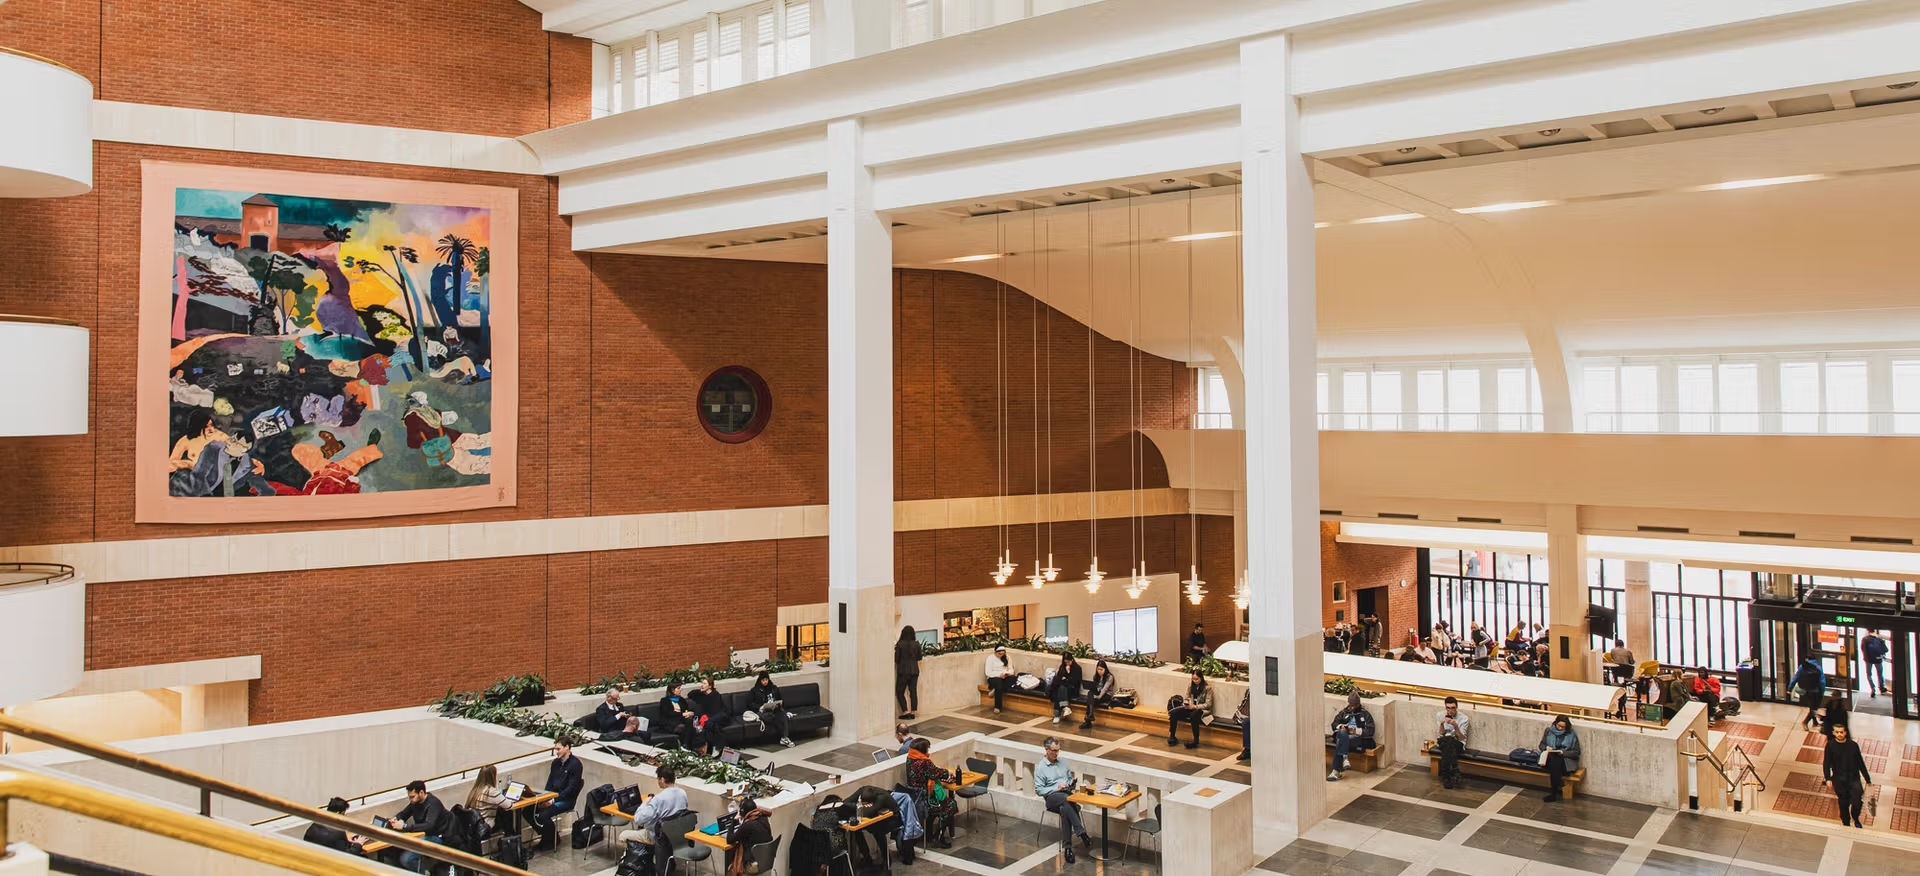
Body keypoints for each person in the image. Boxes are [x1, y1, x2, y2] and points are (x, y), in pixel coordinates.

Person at [1032, 737, 1093, 863]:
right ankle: (1081, 833)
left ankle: (1068, 849)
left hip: (1066, 796)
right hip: (1051, 798)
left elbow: (1069, 777)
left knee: (1065, 808)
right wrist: (1057, 787)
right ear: (1047, 750)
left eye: (1058, 751)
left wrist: (1070, 783)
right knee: (1067, 800)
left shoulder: (1063, 762)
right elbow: (1039, 790)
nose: (1056, 753)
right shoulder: (1041, 768)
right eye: (1054, 751)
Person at [529, 740, 584, 852]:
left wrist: (552, 801)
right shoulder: (555, 763)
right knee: (528, 809)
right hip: (552, 797)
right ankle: (551, 835)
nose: (556, 752)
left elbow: (571, 789)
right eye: (555, 749)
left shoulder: (576, 765)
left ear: (567, 747)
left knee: (543, 815)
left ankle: (549, 840)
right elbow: (550, 783)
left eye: (558, 749)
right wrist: (544, 798)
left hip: (566, 800)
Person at [904, 737, 957, 848]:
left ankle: (930, 834)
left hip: (914, 797)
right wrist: (948, 772)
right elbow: (936, 773)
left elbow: (929, 773)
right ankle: (939, 836)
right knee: (950, 805)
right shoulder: (924, 762)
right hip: (925, 799)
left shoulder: (910, 758)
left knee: (941, 808)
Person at [619, 764, 689, 848]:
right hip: (676, 835)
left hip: (657, 836)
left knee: (623, 835)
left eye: (658, 779)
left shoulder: (659, 799)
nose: (658, 781)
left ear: (662, 779)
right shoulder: (683, 793)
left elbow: (638, 819)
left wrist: (644, 803)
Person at [388, 780, 450, 873]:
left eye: (412, 797)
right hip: (422, 835)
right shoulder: (415, 803)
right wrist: (396, 819)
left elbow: (429, 825)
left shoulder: (433, 803)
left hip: (437, 837)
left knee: (407, 859)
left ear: (421, 793)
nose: (411, 800)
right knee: (394, 850)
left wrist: (405, 827)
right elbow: (404, 813)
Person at [1823, 723, 1871, 828]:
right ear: (1833, 733)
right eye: (1837, 732)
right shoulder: (1830, 745)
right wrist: (1828, 778)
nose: (1839, 734)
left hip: (1854, 778)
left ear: (1845, 733)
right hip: (1839, 779)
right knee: (1843, 802)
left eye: (1841, 732)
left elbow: (1860, 762)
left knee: (1857, 801)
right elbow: (1826, 763)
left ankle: (1855, 817)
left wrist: (1867, 779)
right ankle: (1846, 822)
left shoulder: (1853, 745)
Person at [847, 785, 901, 870]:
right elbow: (846, 802)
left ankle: (886, 859)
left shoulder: (881, 797)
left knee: (878, 832)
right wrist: (860, 806)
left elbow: (868, 812)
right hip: (875, 817)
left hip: (893, 818)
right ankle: (866, 857)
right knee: (856, 830)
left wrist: (859, 807)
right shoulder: (862, 790)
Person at [1328, 692, 1375, 781]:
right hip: (1344, 736)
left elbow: (1370, 731)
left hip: (1356, 738)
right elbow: (1334, 724)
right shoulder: (1344, 712)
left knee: (1340, 741)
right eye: (1351, 705)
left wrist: (1355, 731)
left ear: (1358, 704)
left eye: (1354, 705)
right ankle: (1344, 759)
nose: (1352, 707)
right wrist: (1341, 726)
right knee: (1342, 733)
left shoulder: (1365, 714)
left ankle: (1336, 771)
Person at [725, 796, 774, 876]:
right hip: (767, 860)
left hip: (753, 865)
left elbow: (729, 839)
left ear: (742, 812)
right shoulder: (764, 818)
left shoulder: (747, 825)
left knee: (731, 864)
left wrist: (733, 822)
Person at [1538, 715, 1582, 802]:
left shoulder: (1571, 734)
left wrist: (1563, 753)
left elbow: (1576, 753)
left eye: (1563, 727)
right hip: (1549, 759)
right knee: (1554, 759)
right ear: (1555, 723)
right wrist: (1546, 748)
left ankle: (1553, 793)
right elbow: (1541, 745)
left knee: (1556, 760)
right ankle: (1557, 786)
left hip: (1565, 761)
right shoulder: (1549, 731)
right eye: (1559, 726)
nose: (1561, 728)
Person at [1167, 670, 1212, 750]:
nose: (1195, 681)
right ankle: (1172, 736)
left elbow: (1208, 704)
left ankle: (1195, 740)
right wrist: (1186, 703)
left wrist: (1195, 706)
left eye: (1197, 679)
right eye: (1193, 679)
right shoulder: (1190, 686)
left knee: (1194, 716)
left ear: (1201, 678)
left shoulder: (1208, 688)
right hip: (1190, 707)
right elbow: (1187, 697)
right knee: (1174, 713)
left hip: (1200, 710)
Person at [749, 670, 794, 747]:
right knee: (772, 717)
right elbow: (750, 704)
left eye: (766, 680)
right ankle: (784, 737)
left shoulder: (774, 688)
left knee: (782, 715)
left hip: (775, 709)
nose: (765, 682)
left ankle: (784, 737)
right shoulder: (754, 690)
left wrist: (778, 705)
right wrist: (759, 707)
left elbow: (780, 699)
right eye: (763, 680)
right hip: (762, 712)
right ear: (760, 680)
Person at [1435, 697, 1471, 790]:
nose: (1450, 710)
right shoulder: (1440, 715)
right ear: (1445, 707)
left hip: (1457, 743)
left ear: (1457, 707)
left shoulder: (1464, 718)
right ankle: (1455, 770)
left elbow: (1462, 738)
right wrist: (1442, 724)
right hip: (1443, 741)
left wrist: (1456, 727)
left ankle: (1446, 776)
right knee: (1447, 740)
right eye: (1448, 708)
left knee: (1450, 741)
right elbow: (1441, 733)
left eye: (1453, 708)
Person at [690, 676, 731, 754]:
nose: (702, 685)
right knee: (711, 725)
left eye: (704, 683)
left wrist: (707, 718)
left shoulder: (715, 695)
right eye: (702, 683)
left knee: (709, 722)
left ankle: (714, 748)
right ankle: (720, 747)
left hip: (721, 715)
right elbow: (690, 694)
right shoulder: (702, 695)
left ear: (710, 686)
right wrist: (700, 691)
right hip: (711, 718)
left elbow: (716, 711)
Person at [463, 765, 508, 832]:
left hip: (474, 826)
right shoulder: (491, 792)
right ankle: (511, 838)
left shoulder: (475, 790)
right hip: (485, 828)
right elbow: (509, 805)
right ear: (493, 776)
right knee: (507, 814)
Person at [657, 682, 698, 750]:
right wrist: (682, 714)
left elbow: (686, 710)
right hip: (669, 723)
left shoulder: (681, 700)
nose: (680, 690)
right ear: (672, 690)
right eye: (678, 688)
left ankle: (686, 745)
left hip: (681, 721)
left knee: (690, 722)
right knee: (685, 727)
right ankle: (686, 746)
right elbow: (668, 713)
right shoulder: (665, 701)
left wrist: (690, 713)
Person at [896, 626, 924, 719]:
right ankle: (913, 712)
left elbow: (897, 659)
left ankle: (905, 711)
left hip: (903, 671)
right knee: (913, 691)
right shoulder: (916, 644)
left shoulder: (900, 644)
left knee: (900, 691)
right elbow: (919, 657)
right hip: (914, 671)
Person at [1791, 656, 1826, 730]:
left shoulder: (1802, 667)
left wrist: (1790, 688)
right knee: (1814, 708)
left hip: (1805, 690)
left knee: (1812, 707)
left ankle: (1815, 722)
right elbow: (1822, 681)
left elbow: (1796, 677)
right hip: (1815, 691)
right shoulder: (1818, 667)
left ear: (1807, 659)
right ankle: (1805, 722)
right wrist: (1822, 692)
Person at [1047, 654, 1082, 724]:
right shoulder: (1062, 667)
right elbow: (1059, 678)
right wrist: (1065, 679)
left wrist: (1068, 673)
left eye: (1069, 662)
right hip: (1063, 687)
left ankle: (1057, 715)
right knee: (1060, 689)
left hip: (1072, 689)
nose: (1067, 663)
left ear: (1072, 660)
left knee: (1061, 688)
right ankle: (1065, 707)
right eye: (1066, 662)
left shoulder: (1077, 668)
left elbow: (1075, 682)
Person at [1081, 659, 1116, 729]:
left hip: (1106, 694)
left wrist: (1098, 696)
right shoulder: (1096, 676)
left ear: (1105, 669)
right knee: (1090, 693)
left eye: (1101, 669)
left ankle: (1088, 721)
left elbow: (1105, 689)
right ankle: (1090, 715)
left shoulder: (1110, 677)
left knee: (1091, 700)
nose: (1099, 671)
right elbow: (1095, 687)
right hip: (1098, 692)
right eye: (1098, 669)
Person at [984, 645, 1015, 713]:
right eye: (999, 654)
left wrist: (1006, 673)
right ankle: (997, 707)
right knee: (999, 685)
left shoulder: (1007, 657)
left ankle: (994, 690)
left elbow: (1011, 670)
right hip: (993, 677)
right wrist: (999, 675)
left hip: (1004, 676)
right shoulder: (990, 658)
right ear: (995, 652)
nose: (1001, 655)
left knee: (1014, 679)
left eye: (1003, 654)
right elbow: (988, 673)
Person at [1863, 630, 1889, 697]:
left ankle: (1873, 689)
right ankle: (1882, 688)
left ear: (1868, 631)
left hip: (1868, 660)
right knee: (1880, 674)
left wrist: (1866, 658)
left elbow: (1863, 649)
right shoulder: (1879, 639)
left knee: (1869, 675)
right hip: (1878, 660)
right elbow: (1886, 650)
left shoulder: (1865, 639)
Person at [1234, 690, 1252, 763]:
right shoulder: (1250, 690)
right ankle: (1247, 749)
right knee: (1246, 722)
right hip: (1252, 713)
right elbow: (1246, 704)